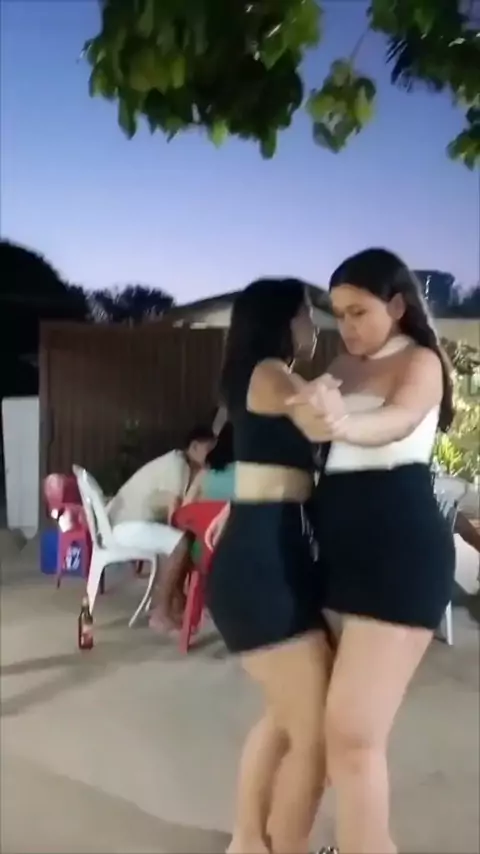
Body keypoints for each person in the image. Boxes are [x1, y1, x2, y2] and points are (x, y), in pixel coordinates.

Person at [288, 248, 456, 854]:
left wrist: (342, 425)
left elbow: (397, 421)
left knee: (355, 736)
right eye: (338, 315)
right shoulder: (341, 364)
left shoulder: (421, 361)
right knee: (330, 734)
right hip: (341, 560)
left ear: (397, 305)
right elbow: (309, 430)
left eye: (359, 312)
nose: (348, 327)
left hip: (400, 558)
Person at [205, 279, 333, 854]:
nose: (315, 325)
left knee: (286, 719)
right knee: (317, 733)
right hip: (262, 566)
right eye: (307, 314)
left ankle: (249, 841)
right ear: (280, 320)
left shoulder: (264, 376)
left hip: (272, 552)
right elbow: (320, 421)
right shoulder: (268, 372)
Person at [150, 421, 236, 631]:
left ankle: (181, 604)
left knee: (186, 542)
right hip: (235, 554)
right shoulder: (251, 477)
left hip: (200, 554)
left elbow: (183, 514)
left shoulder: (204, 475)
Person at [107, 425, 215, 527]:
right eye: (209, 449)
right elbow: (175, 511)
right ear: (194, 446)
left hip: (128, 522)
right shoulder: (177, 464)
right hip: (128, 524)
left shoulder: (181, 463)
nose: (212, 455)